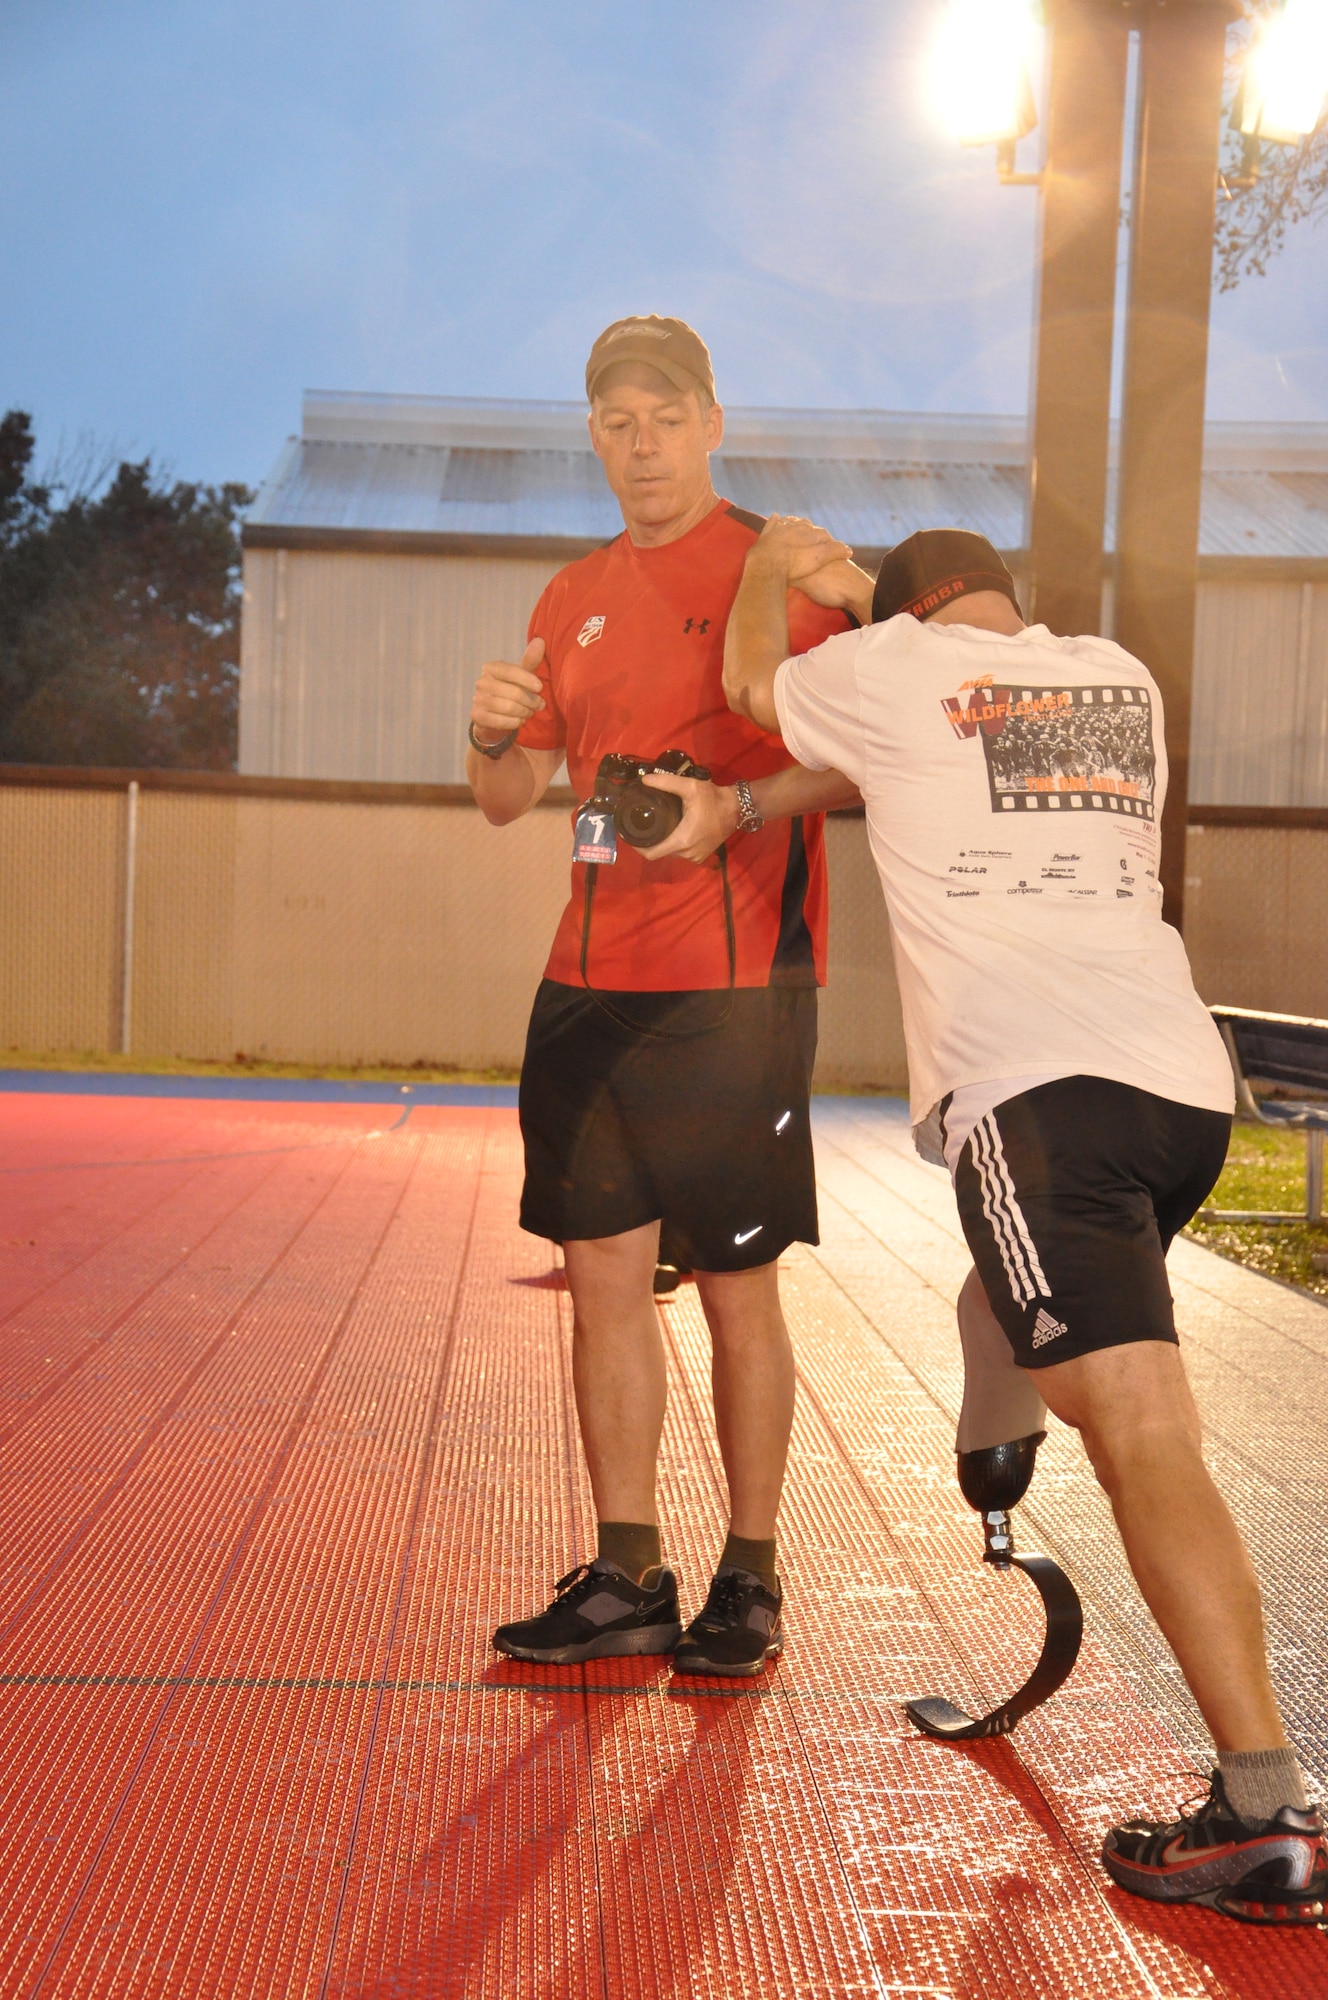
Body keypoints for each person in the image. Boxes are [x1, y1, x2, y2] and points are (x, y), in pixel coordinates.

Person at [711, 516, 1326, 1924]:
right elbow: (946, 730)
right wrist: (873, 597)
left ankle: (1260, 1807)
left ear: (898, 612)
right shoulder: (1109, 673)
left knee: (1145, 1436)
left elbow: (756, 690)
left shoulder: (887, 665)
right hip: (1181, 1098)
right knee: (1006, 1299)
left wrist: (773, 572)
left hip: (1037, 1102)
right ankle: (999, 1450)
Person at [466, 319, 868, 1678]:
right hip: (585, 990)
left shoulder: (782, 570)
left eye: (663, 414)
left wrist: (736, 807)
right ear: (593, 434)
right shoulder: (568, 594)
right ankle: (627, 1571)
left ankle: (749, 1577)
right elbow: (511, 799)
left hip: (736, 984)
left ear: (709, 419)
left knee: (739, 1290)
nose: (640, 441)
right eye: (615, 420)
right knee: (603, 1289)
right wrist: (482, 734)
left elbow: (871, 762)